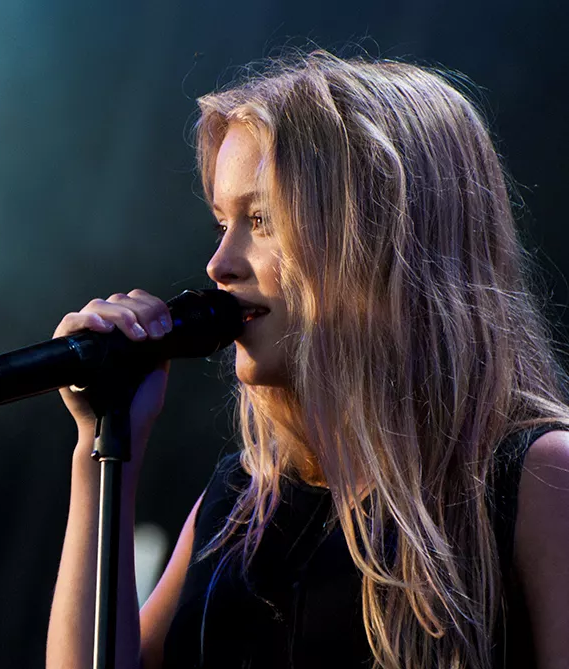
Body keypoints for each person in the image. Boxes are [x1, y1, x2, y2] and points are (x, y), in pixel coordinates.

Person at [45, 51, 569, 669]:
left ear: (378, 235)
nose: (219, 265)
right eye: (221, 223)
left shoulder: (539, 477)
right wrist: (102, 449)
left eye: (261, 219)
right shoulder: (241, 499)